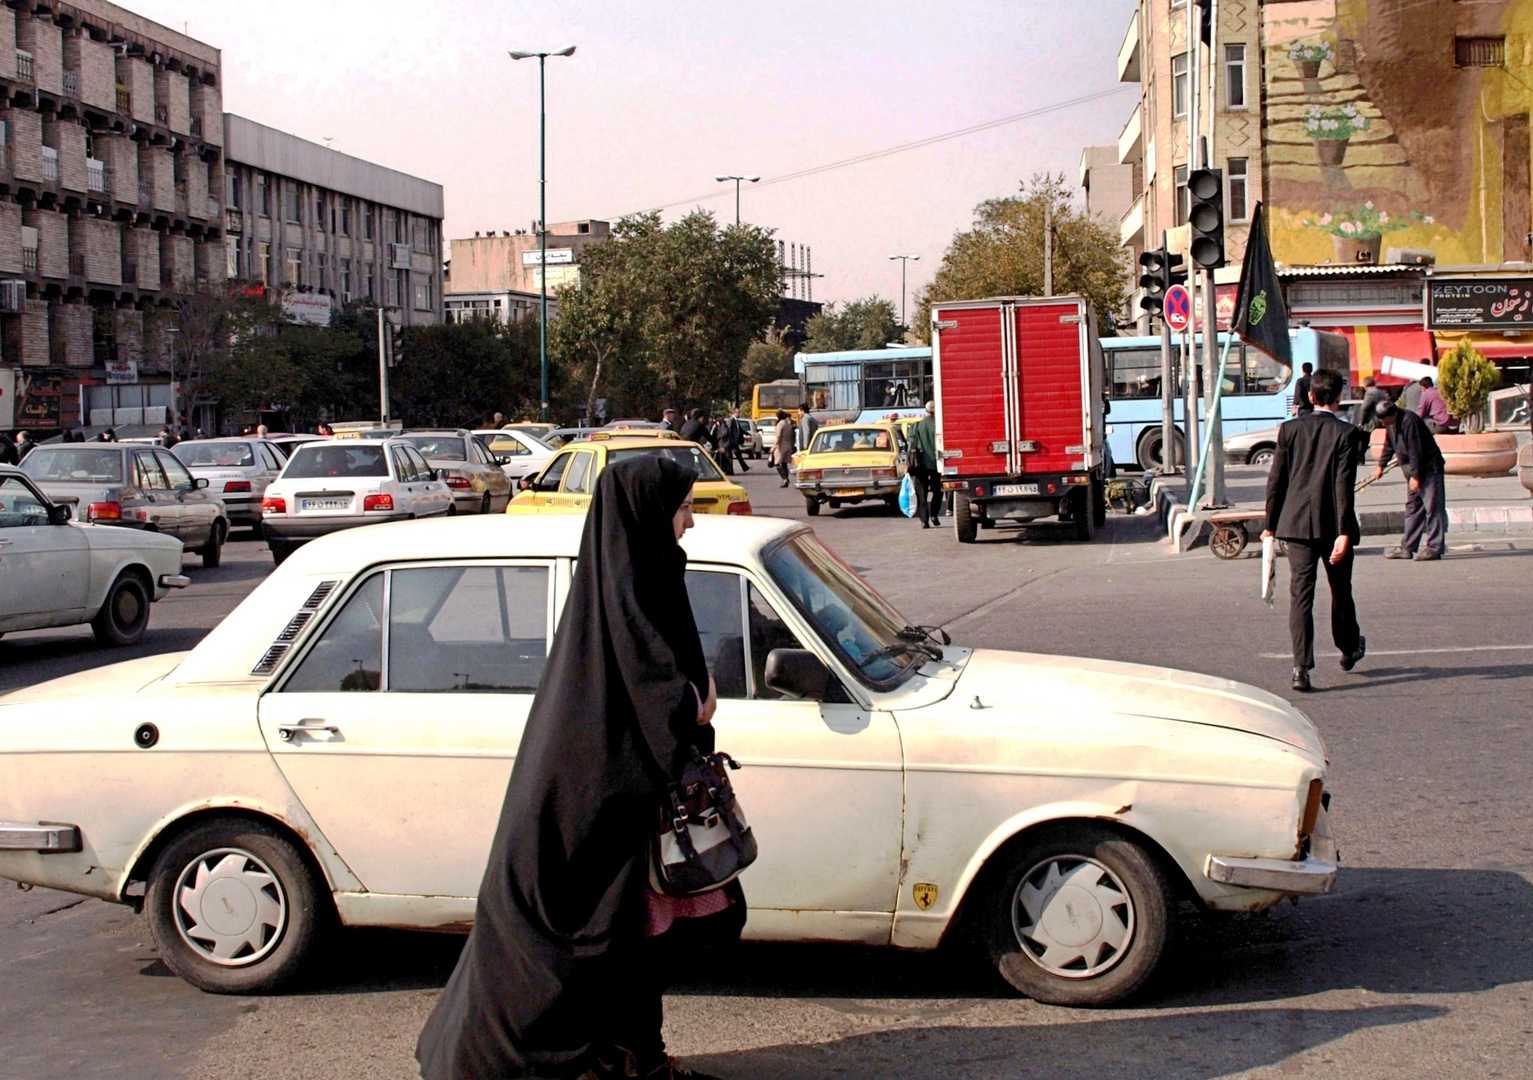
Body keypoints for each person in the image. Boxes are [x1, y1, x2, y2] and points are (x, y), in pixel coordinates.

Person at [417, 457, 738, 1080]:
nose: (692, 522)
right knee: (581, 950)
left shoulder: (642, 576)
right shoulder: (629, 592)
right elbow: (648, 693)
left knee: (634, 947)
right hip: (590, 814)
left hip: (623, 809)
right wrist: (693, 706)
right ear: (647, 516)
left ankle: (636, 1057)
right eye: (682, 509)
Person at [1262, 368, 1367, 693]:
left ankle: (1300, 668)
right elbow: (1342, 486)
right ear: (1338, 398)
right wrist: (1344, 532)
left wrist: (1269, 525)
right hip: (1332, 525)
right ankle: (1348, 648)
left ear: (1310, 396)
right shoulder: (1346, 434)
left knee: (1301, 597)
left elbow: (1276, 480)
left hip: (1294, 525)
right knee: (1341, 590)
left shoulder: (1289, 430)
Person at [1374, 398, 1448, 561]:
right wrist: (1381, 465)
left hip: (1428, 469)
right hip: (1412, 472)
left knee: (1433, 508)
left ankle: (1434, 548)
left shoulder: (1410, 421)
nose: (1385, 424)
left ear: (1393, 414)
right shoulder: (1391, 424)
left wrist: (1415, 476)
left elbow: (1416, 450)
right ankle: (1407, 546)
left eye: (1386, 421)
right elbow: (1389, 444)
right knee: (1413, 509)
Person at [909, 401, 942, 527]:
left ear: (926, 411)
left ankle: (924, 520)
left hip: (921, 465)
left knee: (921, 494)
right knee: (938, 492)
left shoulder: (917, 425)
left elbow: (911, 444)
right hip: (937, 464)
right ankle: (934, 515)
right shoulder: (940, 425)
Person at [770, 409, 794, 487]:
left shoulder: (780, 424)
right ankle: (786, 480)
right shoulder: (788, 423)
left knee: (776, 463)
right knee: (784, 463)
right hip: (788, 445)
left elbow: (778, 436)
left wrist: (773, 447)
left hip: (781, 446)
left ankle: (785, 479)